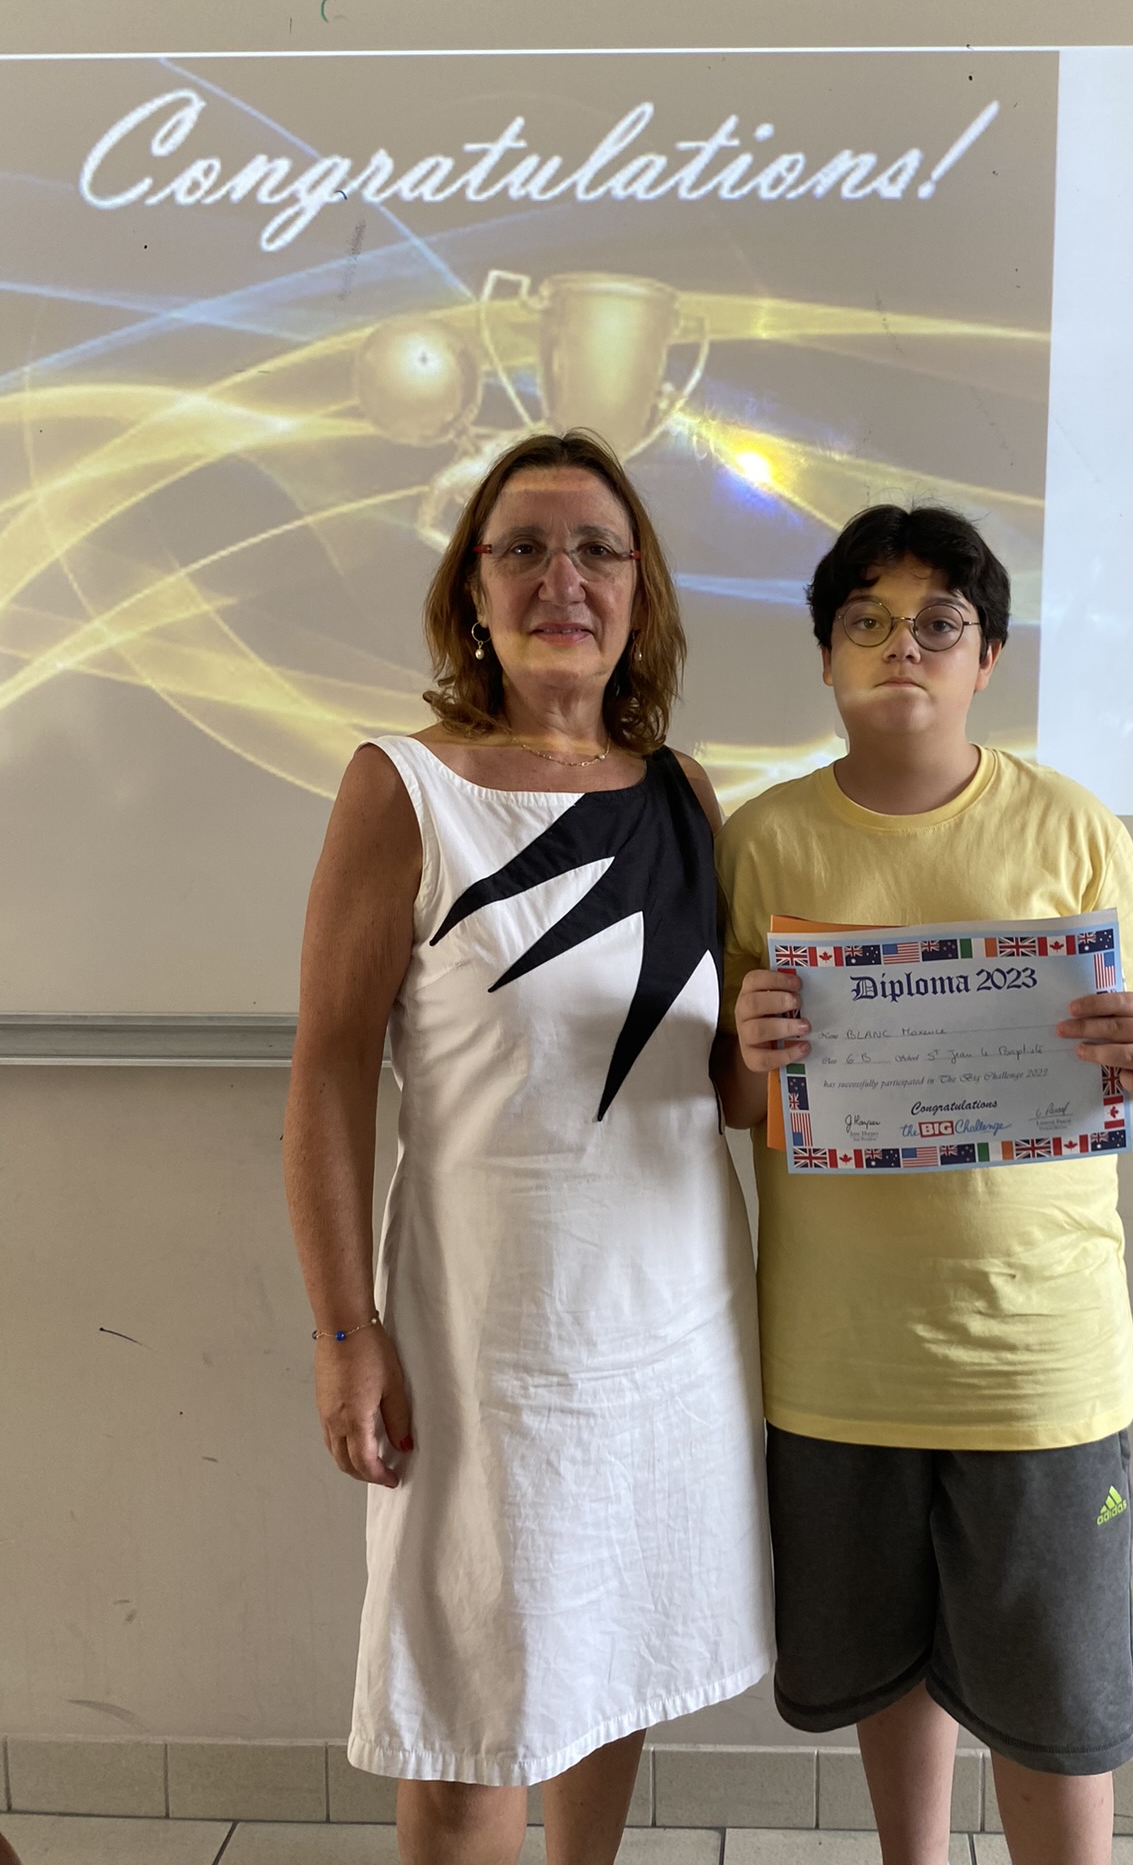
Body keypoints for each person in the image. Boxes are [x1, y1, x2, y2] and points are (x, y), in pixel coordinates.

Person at [283, 430, 772, 1865]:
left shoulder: (683, 794)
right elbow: (328, 1070)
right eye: (525, 549)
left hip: (670, 1326)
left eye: (598, 550)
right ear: (473, 591)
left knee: (611, 1661)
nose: (565, 578)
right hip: (483, 1338)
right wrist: (342, 1330)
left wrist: (790, 1042)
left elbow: (719, 1092)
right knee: (469, 1704)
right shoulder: (404, 787)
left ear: (640, 592)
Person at [712, 504, 1133, 1865]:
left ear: (988, 658)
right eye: (866, 620)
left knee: (1055, 1710)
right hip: (838, 1360)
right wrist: (748, 1051)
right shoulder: (763, 841)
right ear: (825, 654)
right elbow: (726, 1098)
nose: (903, 647)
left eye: (940, 622)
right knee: (887, 1666)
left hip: (1037, 1356)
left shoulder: (1070, 825)